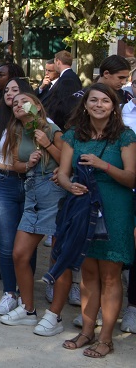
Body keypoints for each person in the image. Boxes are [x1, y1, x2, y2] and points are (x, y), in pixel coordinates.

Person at [55, 84, 135, 357]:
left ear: (114, 106)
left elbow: (131, 178)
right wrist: (69, 186)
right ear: (85, 105)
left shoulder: (125, 137)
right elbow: (63, 173)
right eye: (94, 100)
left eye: (105, 101)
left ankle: (107, 338)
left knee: (111, 277)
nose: (99, 105)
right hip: (83, 210)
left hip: (115, 211)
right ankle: (87, 332)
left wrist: (104, 166)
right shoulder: (72, 136)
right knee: (87, 274)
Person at [0, 92, 64, 327]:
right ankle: (28, 309)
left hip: (54, 192)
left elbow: (69, 161)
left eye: (23, 101)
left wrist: (47, 145)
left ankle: (54, 316)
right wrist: (28, 164)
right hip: (31, 192)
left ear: (36, 105)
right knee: (19, 254)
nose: (17, 105)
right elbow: (16, 164)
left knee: (59, 256)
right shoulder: (15, 131)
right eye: (14, 103)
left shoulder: (51, 128)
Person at [0, 77, 33, 316]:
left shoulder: (41, 123)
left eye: (16, 89)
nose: (10, 93)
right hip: (2, 186)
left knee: (27, 245)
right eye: (7, 89)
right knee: (8, 244)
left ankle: (26, 294)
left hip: (32, 185)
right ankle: (10, 293)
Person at [41, 50, 81, 130]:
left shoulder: (67, 79)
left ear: (58, 62)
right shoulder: (69, 77)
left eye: (55, 62)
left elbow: (65, 106)